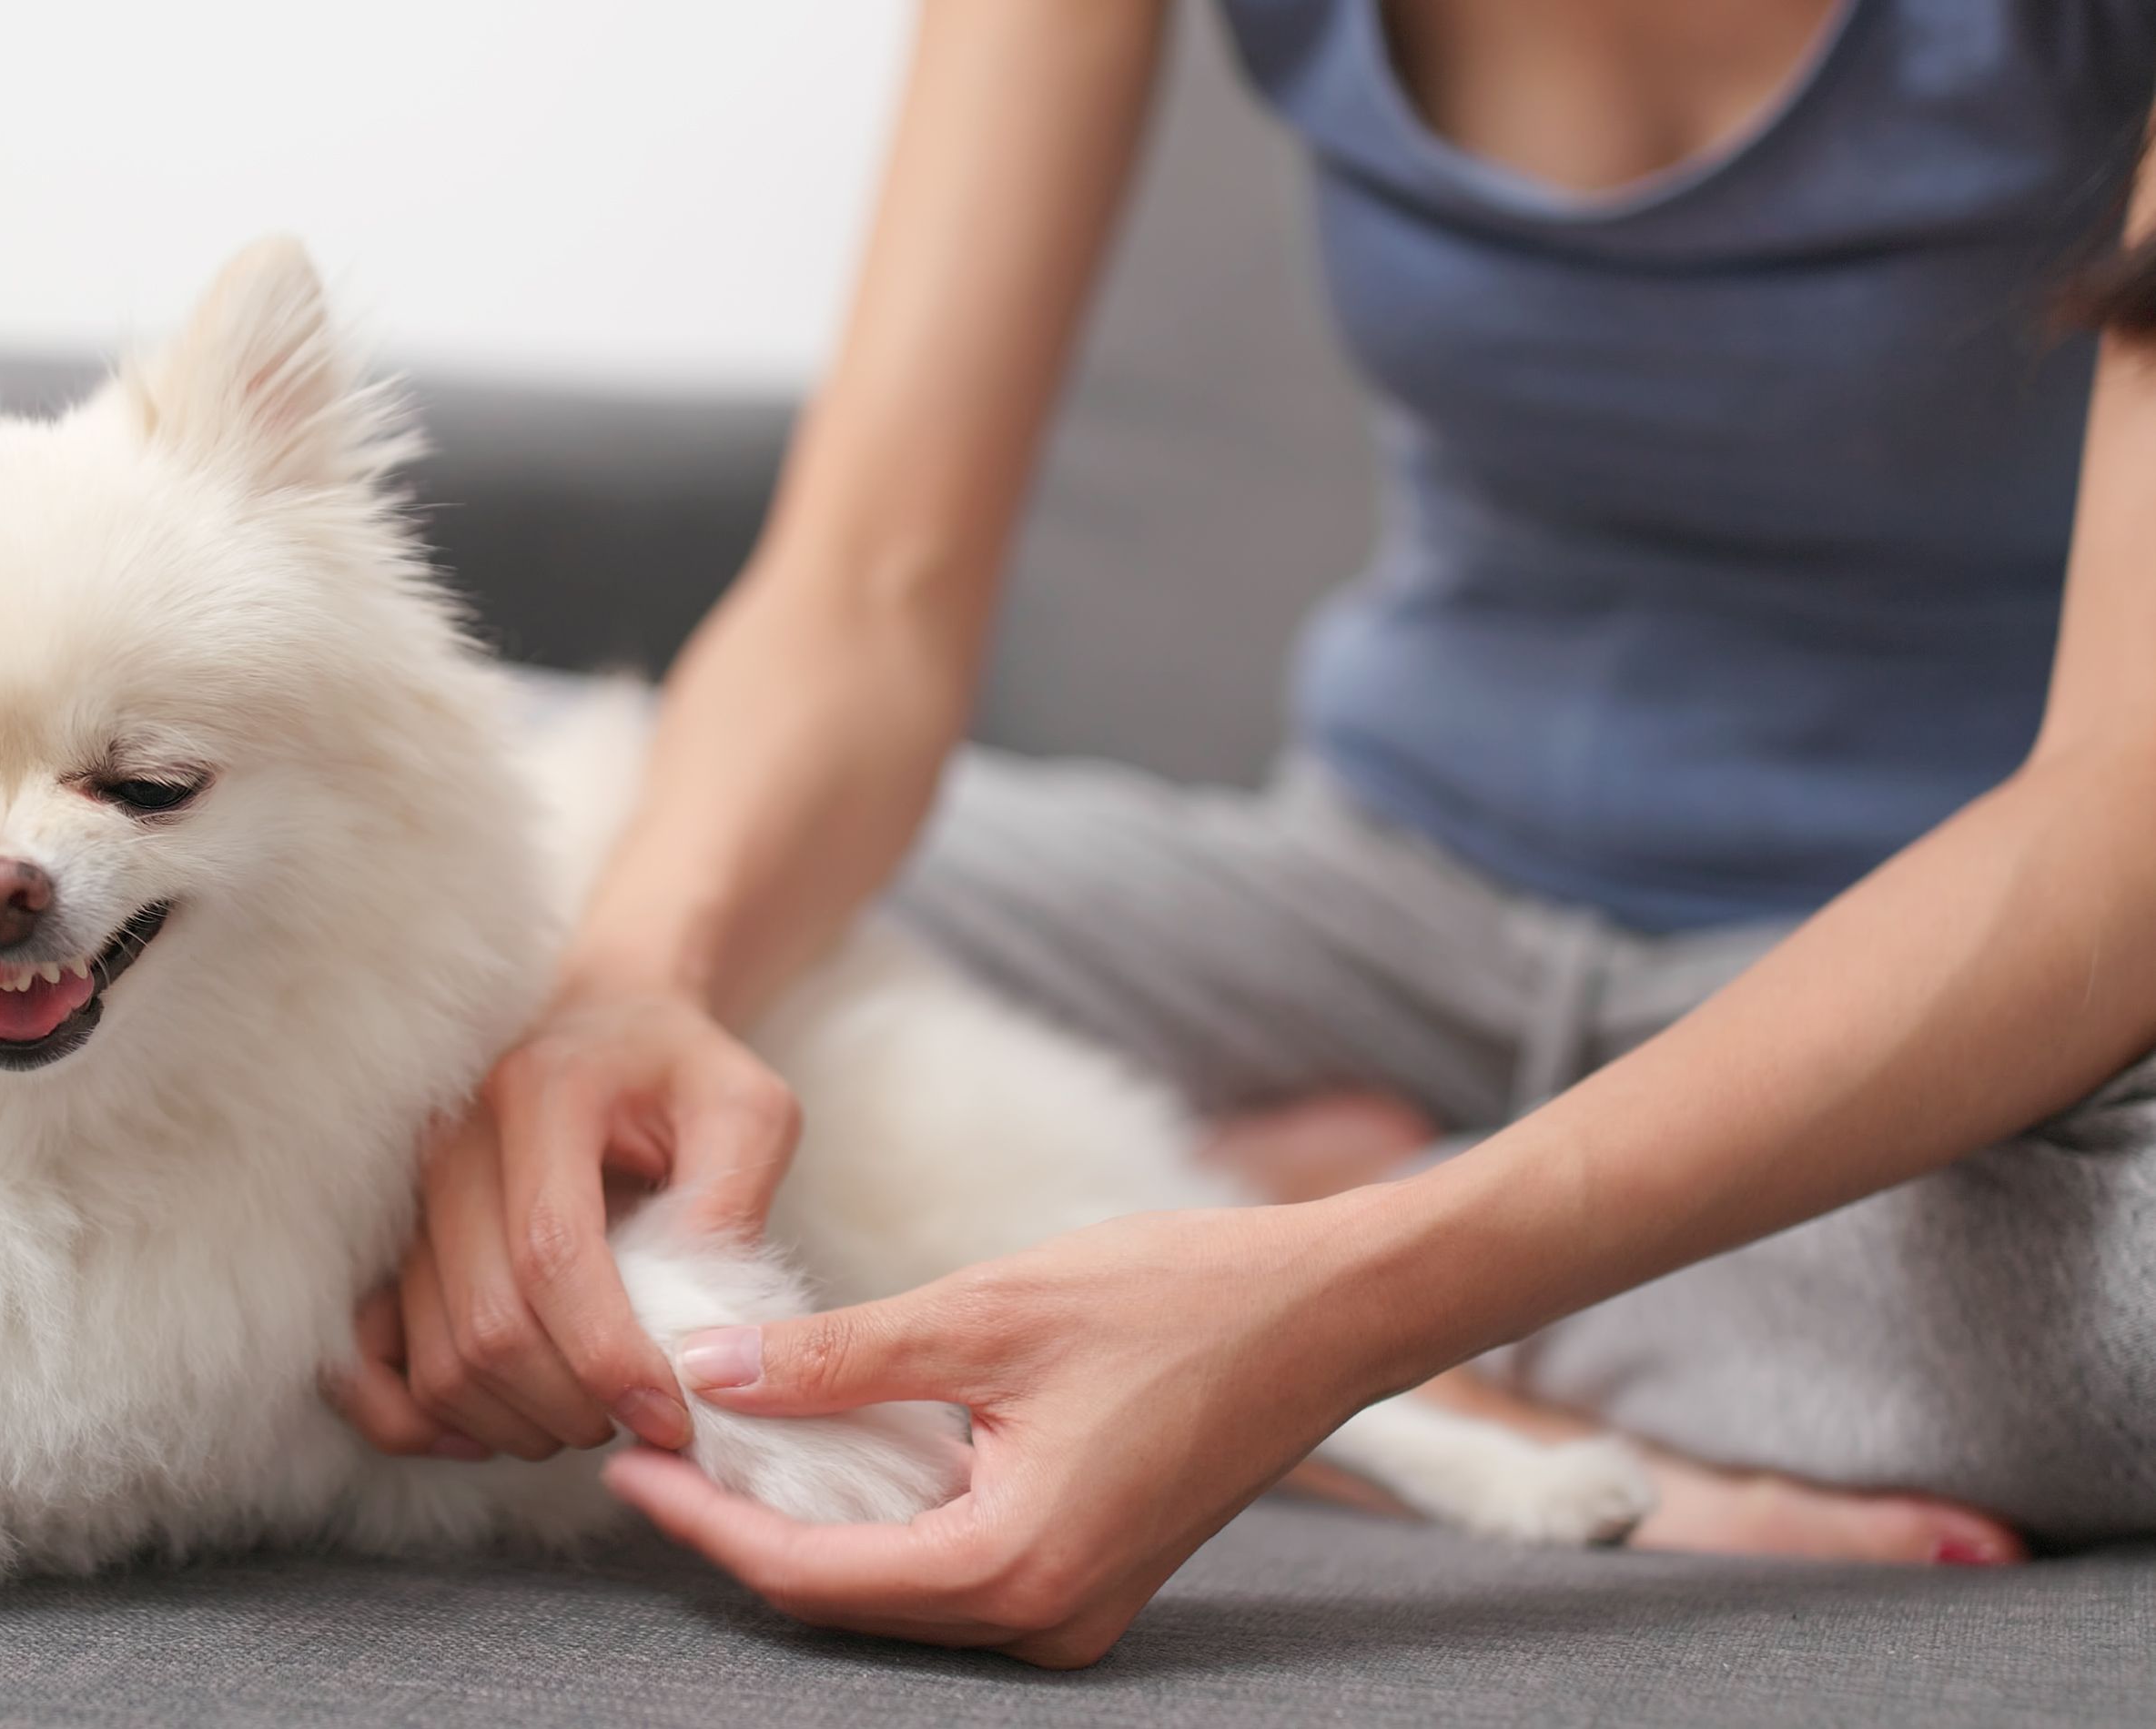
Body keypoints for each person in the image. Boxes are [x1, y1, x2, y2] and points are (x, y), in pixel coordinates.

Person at [326, 0, 2156, 1666]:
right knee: (415, 867)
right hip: (1367, 898)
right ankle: (1359, 1245)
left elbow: (2113, 815)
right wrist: (635, 980)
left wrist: (1342, 1299)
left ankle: (1375, 1255)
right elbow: (868, 593)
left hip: (1969, 990)